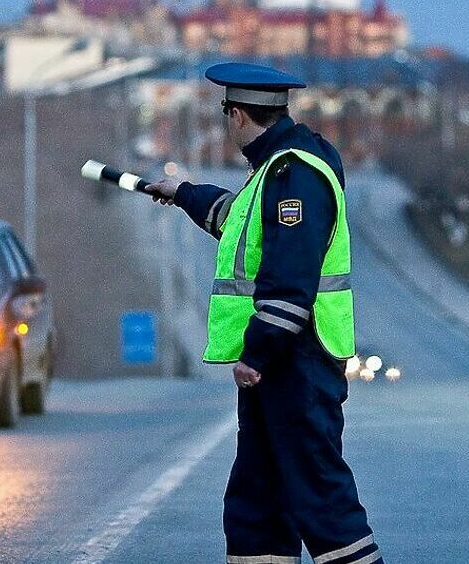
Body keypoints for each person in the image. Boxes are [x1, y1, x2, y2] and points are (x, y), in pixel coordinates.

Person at [145, 63, 383, 564]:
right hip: (283, 367)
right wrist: (184, 193)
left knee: (321, 500)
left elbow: (289, 277)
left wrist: (255, 354)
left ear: (236, 115)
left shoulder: (294, 174)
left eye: (225, 113)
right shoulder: (276, 169)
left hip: (296, 362)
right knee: (258, 504)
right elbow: (240, 223)